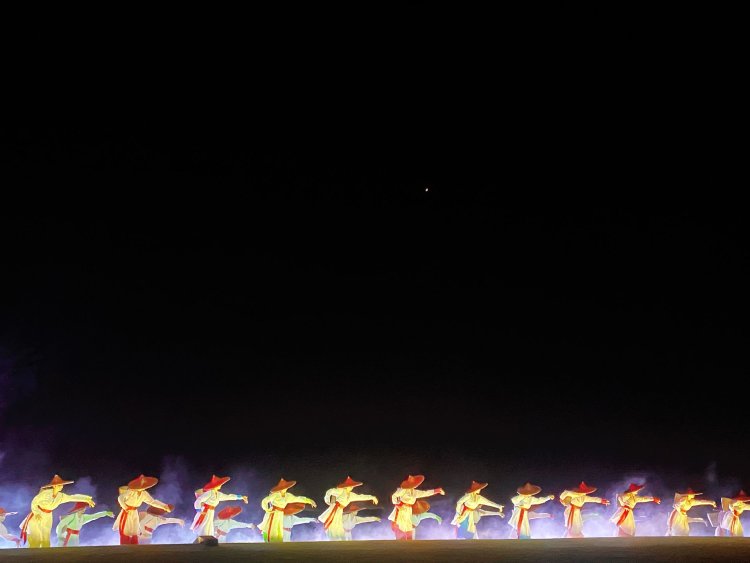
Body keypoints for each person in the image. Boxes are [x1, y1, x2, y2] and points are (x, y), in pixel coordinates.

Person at [19, 475, 95, 548]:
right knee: (35, 538)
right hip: (38, 514)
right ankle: (32, 553)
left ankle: (45, 554)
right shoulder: (45, 494)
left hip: (48, 516)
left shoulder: (60, 496)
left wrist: (86, 499)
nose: (62, 486)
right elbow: (34, 502)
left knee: (46, 537)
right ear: (55, 486)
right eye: (60, 485)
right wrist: (36, 513)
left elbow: (72, 497)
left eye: (62, 485)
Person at [113, 475, 173, 545]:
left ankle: (134, 546)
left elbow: (152, 501)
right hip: (127, 511)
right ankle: (124, 546)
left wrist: (164, 506)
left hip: (134, 512)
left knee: (134, 529)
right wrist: (125, 507)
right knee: (126, 529)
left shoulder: (144, 493)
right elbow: (120, 498)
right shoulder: (131, 491)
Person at [318, 476, 379, 540]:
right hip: (335, 508)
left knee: (338, 525)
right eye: (350, 486)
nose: (351, 488)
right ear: (346, 486)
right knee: (333, 523)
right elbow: (329, 491)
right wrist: (327, 501)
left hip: (340, 510)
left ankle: (337, 538)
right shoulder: (341, 491)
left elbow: (361, 497)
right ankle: (333, 538)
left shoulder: (351, 495)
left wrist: (372, 497)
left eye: (352, 486)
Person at [258, 478, 317, 542]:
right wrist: (267, 509)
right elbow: (265, 500)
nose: (285, 489)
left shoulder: (288, 496)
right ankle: (269, 541)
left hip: (280, 513)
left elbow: (298, 498)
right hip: (274, 512)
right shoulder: (276, 495)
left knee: (278, 529)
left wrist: (310, 501)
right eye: (283, 488)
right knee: (271, 527)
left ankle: (277, 542)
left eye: (286, 487)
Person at [389, 474, 445, 540]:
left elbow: (425, 493)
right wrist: (397, 504)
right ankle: (401, 541)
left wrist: (436, 490)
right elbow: (394, 496)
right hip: (402, 508)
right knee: (401, 526)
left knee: (408, 526)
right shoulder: (403, 490)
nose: (417, 485)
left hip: (408, 509)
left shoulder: (414, 492)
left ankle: (409, 542)